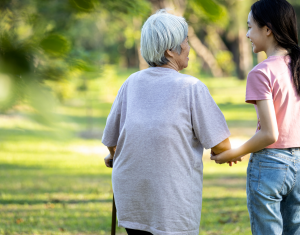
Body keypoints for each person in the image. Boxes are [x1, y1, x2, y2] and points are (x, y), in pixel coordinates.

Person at [102, 10, 234, 235]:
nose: (189, 47)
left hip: (132, 201)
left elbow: (111, 142)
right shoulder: (192, 88)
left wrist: (115, 155)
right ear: (170, 51)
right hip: (172, 206)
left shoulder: (131, 83)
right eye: (186, 41)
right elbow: (221, 146)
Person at [211, 0, 300, 234]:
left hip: (271, 165)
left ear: (267, 29)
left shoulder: (261, 72)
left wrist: (233, 153)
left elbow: (270, 134)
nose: (248, 34)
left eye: (250, 27)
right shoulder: (297, 65)